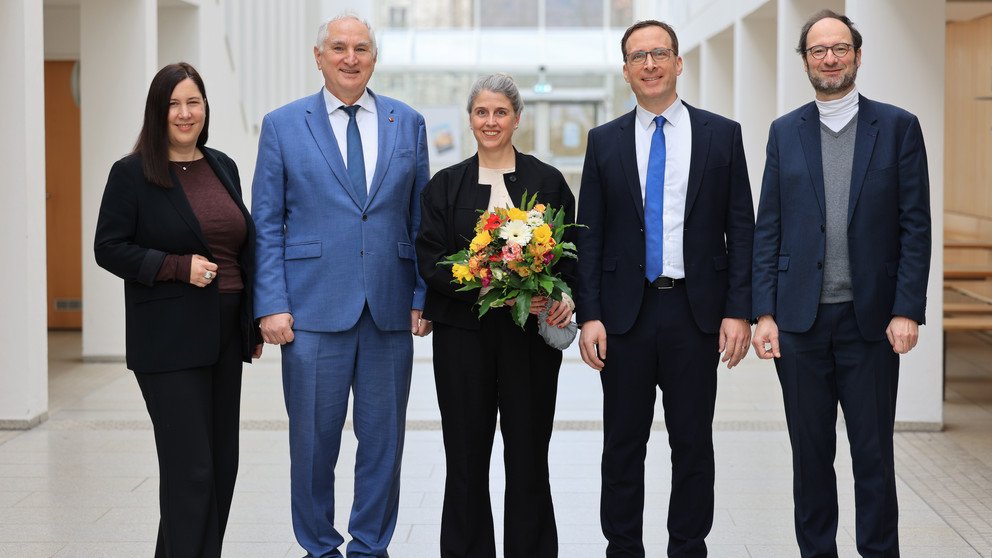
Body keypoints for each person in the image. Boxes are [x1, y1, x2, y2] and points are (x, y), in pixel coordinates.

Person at [751, 10, 931, 557]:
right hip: (799, 323)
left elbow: (915, 225)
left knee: (873, 457)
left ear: (857, 54)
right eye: (818, 50)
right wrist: (764, 313)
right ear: (805, 60)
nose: (830, 59)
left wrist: (907, 308)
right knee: (810, 458)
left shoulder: (897, 127)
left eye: (840, 48)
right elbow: (768, 227)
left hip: (870, 322)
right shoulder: (785, 132)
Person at [250, 13, 431, 558]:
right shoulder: (283, 125)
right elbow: (266, 223)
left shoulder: (408, 122)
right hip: (310, 310)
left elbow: (421, 220)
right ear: (319, 56)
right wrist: (271, 303)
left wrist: (422, 294)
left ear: (374, 57)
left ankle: (370, 546)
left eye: (361, 48)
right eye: (338, 48)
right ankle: (319, 546)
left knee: (384, 443)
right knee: (312, 443)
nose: (350, 58)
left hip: (389, 309)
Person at [574, 20, 755, 558]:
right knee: (622, 445)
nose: (649, 64)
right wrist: (589, 315)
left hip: (696, 314)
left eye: (659, 54)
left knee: (693, 443)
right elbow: (589, 234)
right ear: (625, 70)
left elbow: (741, 228)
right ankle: (623, 547)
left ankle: (688, 547)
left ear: (678, 62)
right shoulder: (604, 141)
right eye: (638, 56)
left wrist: (738, 310)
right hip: (623, 317)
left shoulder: (722, 134)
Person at [93, 62, 261, 558]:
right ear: (157, 111)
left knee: (221, 466)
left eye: (193, 102)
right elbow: (108, 247)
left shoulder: (223, 166)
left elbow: (241, 249)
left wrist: (251, 321)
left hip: (225, 335)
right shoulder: (132, 174)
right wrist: (175, 266)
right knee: (191, 471)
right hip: (168, 341)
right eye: (173, 104)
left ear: (205, 107)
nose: (185, 113)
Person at [415, 73, 576, 558]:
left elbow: (572, 255)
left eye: (500, 112)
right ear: (469, 119)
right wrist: (489, 288)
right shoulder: (445, 186)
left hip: (529, 340)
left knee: (528, 456)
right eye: (482, 112)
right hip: (463, 337)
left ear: (517, 119)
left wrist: (563, 295)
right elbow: (430, 260)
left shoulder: (547, 181)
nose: (491, 121)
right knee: (465, 458)